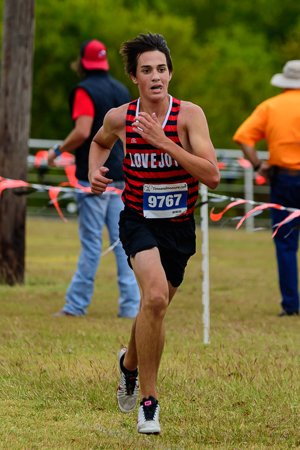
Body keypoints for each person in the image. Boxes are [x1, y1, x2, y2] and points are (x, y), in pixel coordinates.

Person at [88, 32, 220, 434]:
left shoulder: (189, 116)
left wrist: (165, 143)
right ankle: (149, 402)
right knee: (156, 296)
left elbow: (212, 175)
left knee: (153, 307)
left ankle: (128, 363)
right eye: (147, 70)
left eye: (162, 69)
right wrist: (95, 171)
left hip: (179, 226)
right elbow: (98, 142)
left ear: (170, 73)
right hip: (138, 219)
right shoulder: (119, 117)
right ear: (134, 77)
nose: (156, 76)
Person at [47, 39, 140, 318]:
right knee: (124, 244)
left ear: (82, 63)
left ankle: (75, 306)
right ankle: (131, 307)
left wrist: (56, 151)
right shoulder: (121, 89)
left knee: (90, 245)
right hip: (121, 176)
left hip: (93, 178)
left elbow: (82, 131)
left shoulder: (84, 90)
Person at [233, 60, 300, 317]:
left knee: (285, 244)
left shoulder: (270, 106)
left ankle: (291, 306)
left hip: (284, 179)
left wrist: (259, 165)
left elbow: (243, 137)